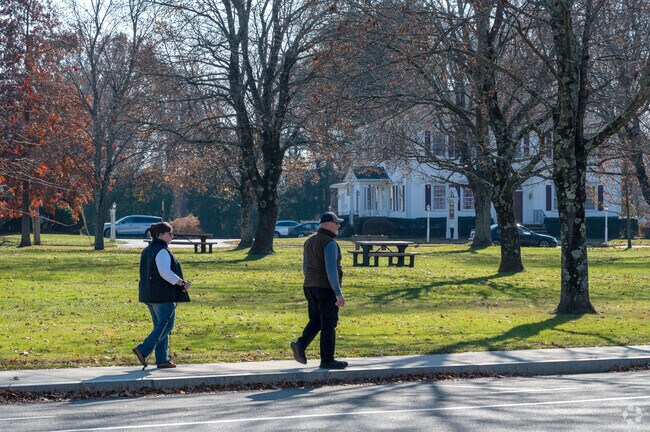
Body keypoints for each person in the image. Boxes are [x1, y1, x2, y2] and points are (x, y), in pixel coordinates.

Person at [291, 212, 348, 369]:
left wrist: (310, 281)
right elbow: (331, 270)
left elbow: (305, 266)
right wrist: (338, 293)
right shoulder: (329, 243)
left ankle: (300, 344)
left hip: (309, 286)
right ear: (328, 224)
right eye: (336, 223)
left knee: (316, 320)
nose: (338, 226)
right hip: (326, 288)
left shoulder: (309, 241)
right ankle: (327, 360)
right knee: (329, 323)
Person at [133, 222, 191, 369]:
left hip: (149, 293)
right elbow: (165, 272)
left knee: (160, 326)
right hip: (162, 294)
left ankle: (162, 359)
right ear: (160, 235)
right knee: (166, 325)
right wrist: (182, 283)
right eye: (169, 233)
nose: (172, 236)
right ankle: (143, 349)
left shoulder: (148, 250)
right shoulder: (162, 251)